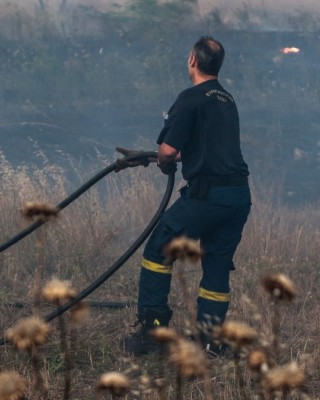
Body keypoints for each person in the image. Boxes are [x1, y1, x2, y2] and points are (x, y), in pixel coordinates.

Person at [123, 36, 251, 356]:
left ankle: (153, 335)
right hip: (237, 198)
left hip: (207, 197)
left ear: (192, 59)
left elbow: (168, 151)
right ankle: (211, 341)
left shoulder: (190, 98)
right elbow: (206, 151)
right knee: (217, 265)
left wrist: (163, 159)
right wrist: (154, 157)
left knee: (158, 250)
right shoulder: (226, 99)